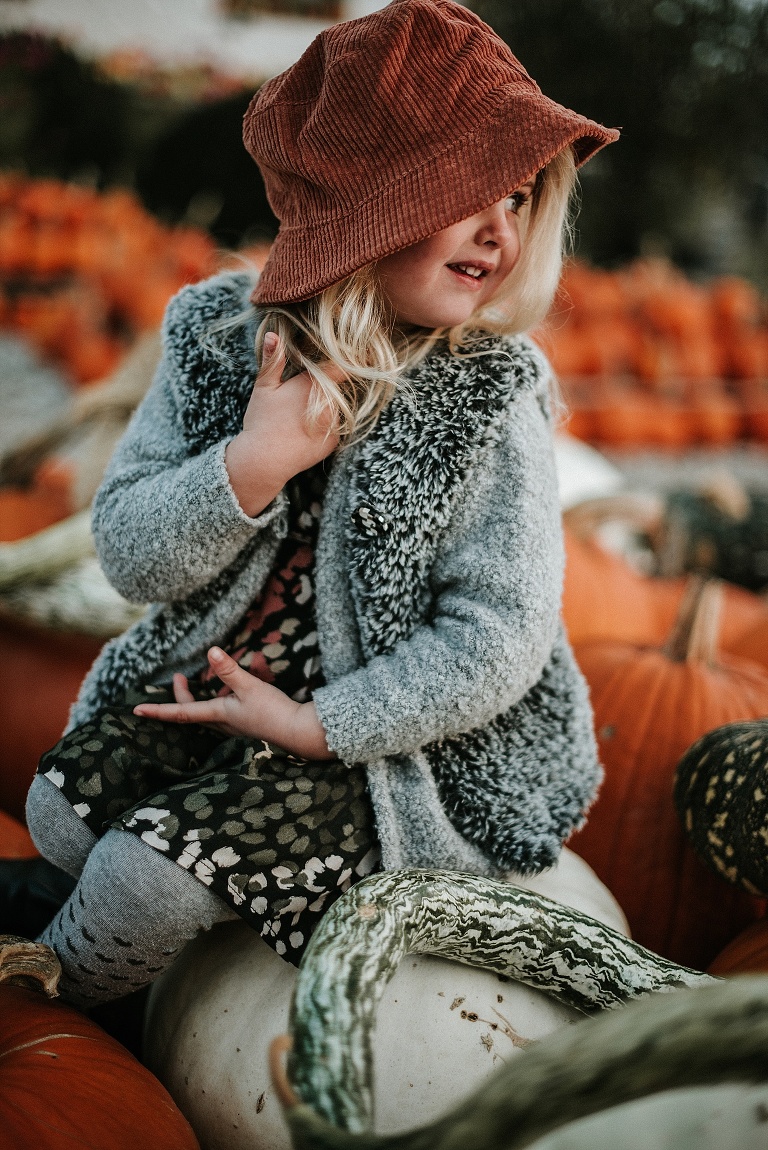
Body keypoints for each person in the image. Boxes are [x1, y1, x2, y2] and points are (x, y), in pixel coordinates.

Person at [25, 0, 618, 1007]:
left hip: (396, 751)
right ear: (369, 195)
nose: (499, 230)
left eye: (520, 198)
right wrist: (251, 465)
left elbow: (500, 636)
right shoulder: (219, 336)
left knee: (142, 876)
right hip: (227, 692)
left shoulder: (490, 393)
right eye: (473, 190)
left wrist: (314, 723)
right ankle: (69, 928)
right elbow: (128, 554)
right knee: (60, 806)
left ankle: (58, 1013)